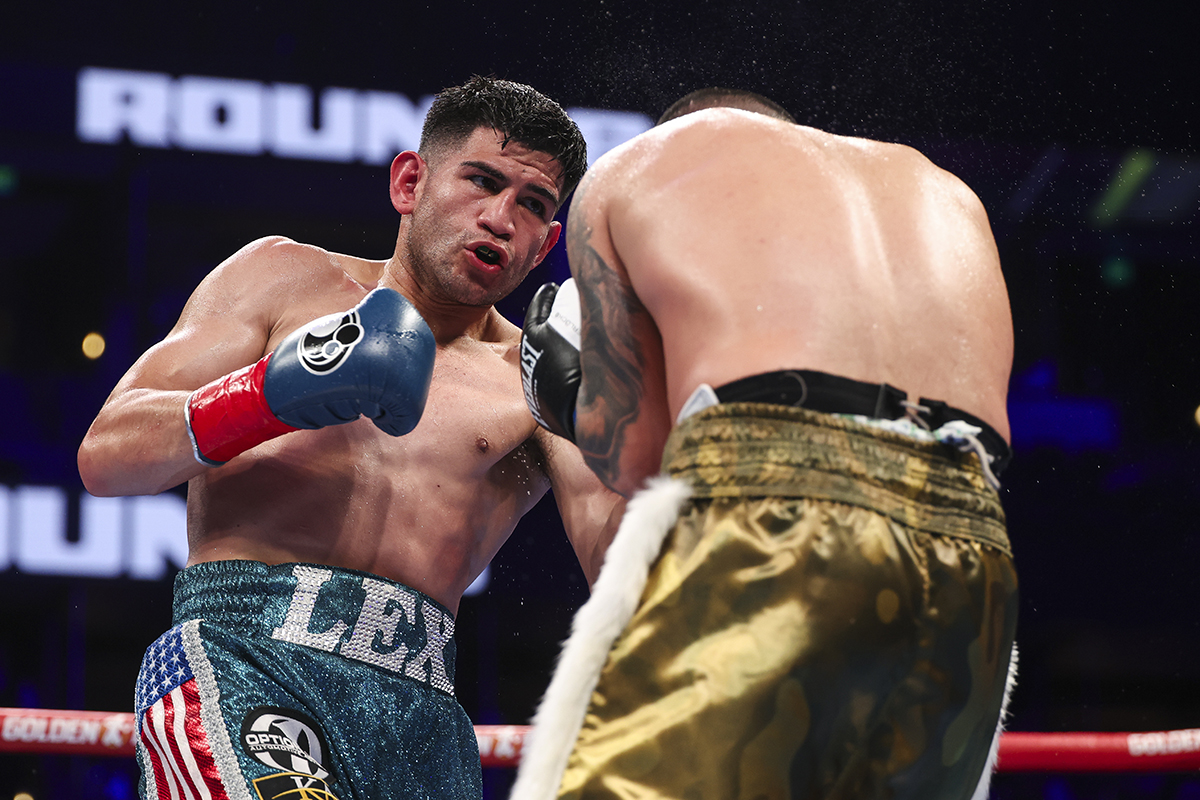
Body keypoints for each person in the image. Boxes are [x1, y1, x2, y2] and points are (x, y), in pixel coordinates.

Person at [78, 76, 622, 800]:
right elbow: (107, 456)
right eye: (482, 182)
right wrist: (270, 396)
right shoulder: (284, 282)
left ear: (548, 243)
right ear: (409, 182)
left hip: (422, 725)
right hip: (246, 662)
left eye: (532, 205)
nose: (500, 218)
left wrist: (610, 419)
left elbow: (616, 567)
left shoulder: (535, 378)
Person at [516, 87, 1019, 800]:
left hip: (778, 496)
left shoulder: (637, 170)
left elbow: (637, 461)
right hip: (973, 545)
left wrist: (565, 396)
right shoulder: (944, 191)